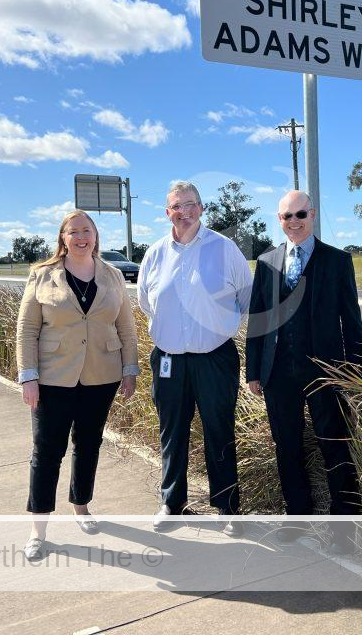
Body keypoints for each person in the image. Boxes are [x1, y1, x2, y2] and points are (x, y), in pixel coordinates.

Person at [15, 209, 139, 559]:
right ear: (63, 238)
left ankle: (81, 505)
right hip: (53, 378)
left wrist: (130, 369)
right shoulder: (42, 275)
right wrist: (29, 377)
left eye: (87, 230)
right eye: (74, 232)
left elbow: (127, 329)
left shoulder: (113, 275)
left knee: (88, 444)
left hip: (101, 375)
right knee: (47, 452)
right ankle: (38, 528)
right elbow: (27, 331)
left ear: (96, 236)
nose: (81, 237)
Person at [245, 190, 362, 551]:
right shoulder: (266, 263)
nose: (294, 222)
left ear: (312, 214)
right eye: (286, 217)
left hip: (325, 373)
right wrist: (253, 371)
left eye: (300, 215)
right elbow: (258, 321)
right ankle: (296, 515)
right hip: (279, 375)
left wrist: (354, 373)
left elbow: (352, 322)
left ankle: (345, 526)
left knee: (335, 446)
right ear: (278, 220)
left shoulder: (337, 261)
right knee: (287, 446)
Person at [137, 180, 252, 536]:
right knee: (172, 432)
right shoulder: (155, 253)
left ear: (201, 209)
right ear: (166, 213)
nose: (184, 212)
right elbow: (145, 302)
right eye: (176, 206)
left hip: (214, 358)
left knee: (219, 430)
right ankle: (172, 502)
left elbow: (246, 298)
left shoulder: (224, 248)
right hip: (169, 360)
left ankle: (227, 507)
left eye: (190, 205)